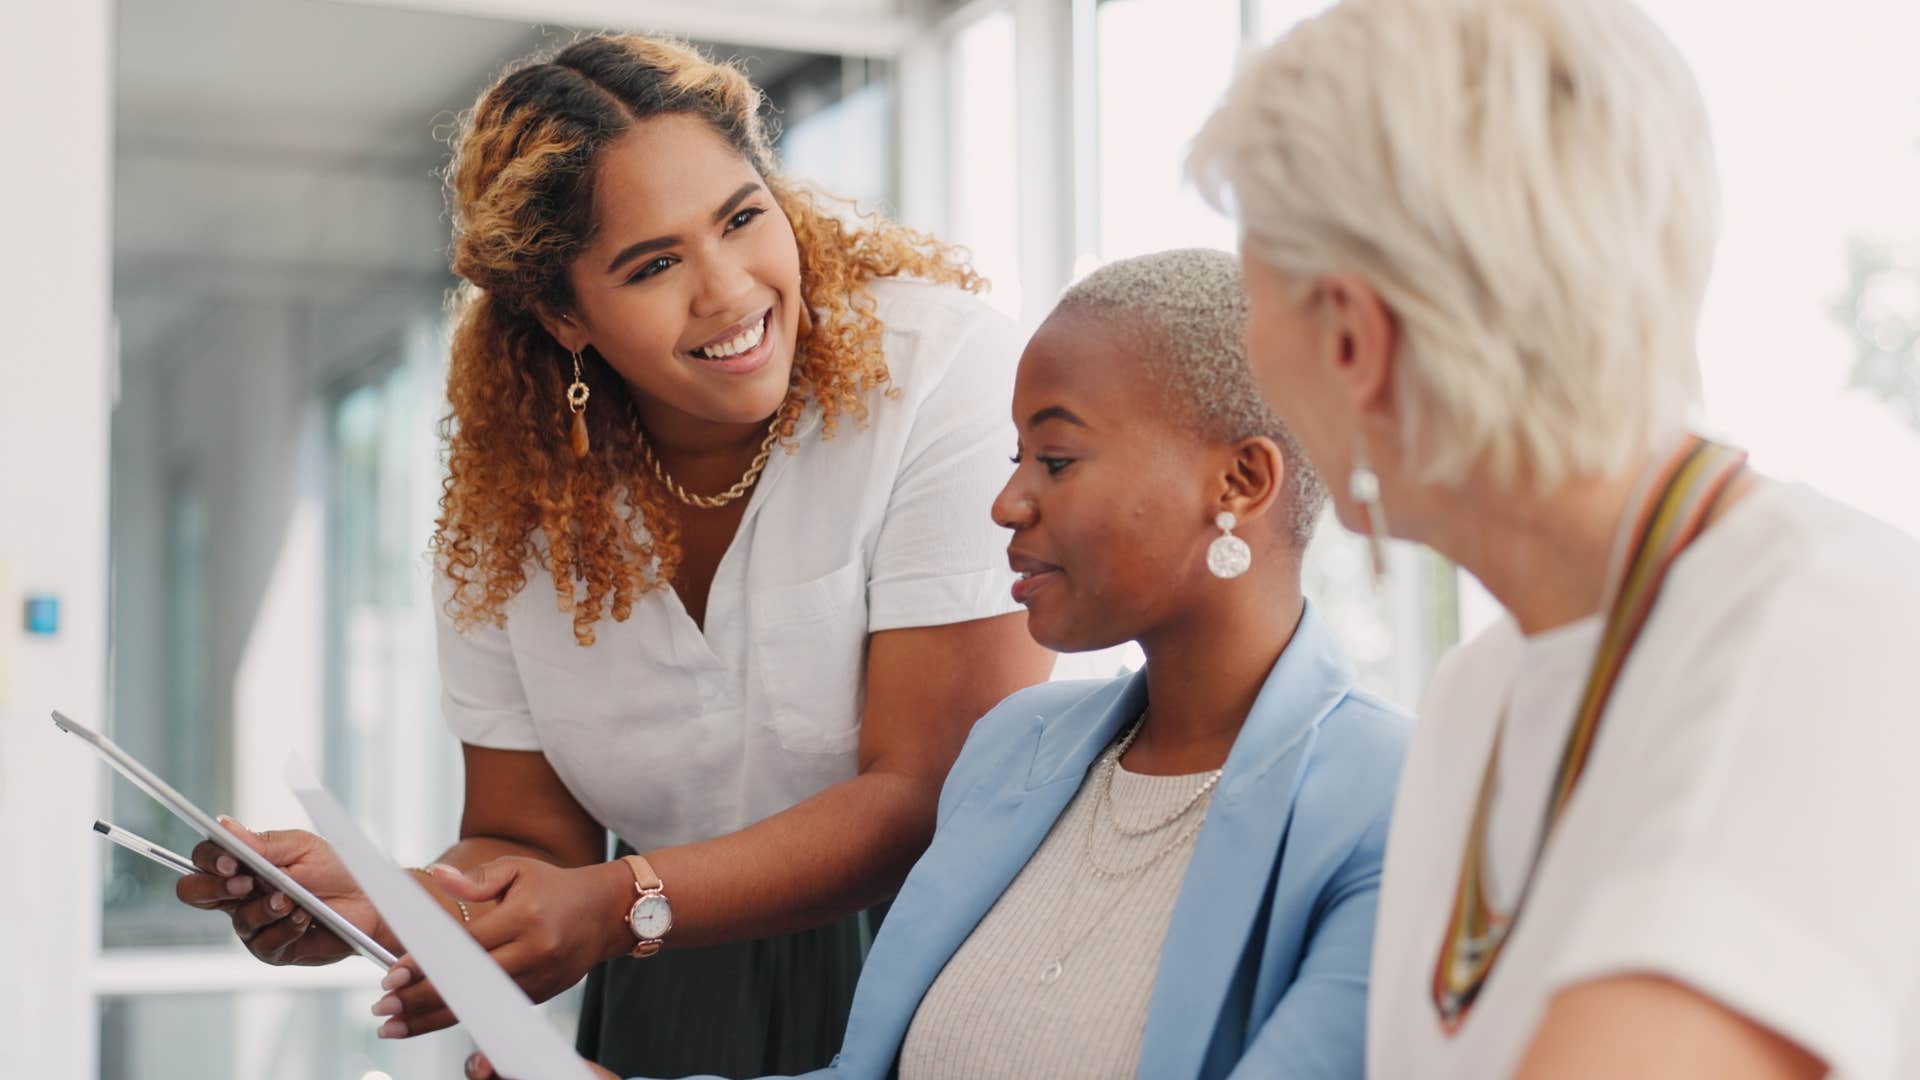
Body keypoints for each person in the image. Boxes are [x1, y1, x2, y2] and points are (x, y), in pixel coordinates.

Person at [173, 33, 1055, 1078]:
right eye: (654, 264)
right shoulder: (513, 496)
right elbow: (528, 840)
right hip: (663, 977)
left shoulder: (940, 371)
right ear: (563, 313)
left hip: (932, 961)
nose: (728, 291)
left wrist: (616, 904)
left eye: (741, 218)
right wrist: (395, 900)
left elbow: (923, 792)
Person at [1189, 1, 1920, 1077]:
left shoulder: (1832, 637)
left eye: (1255, 298)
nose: (1254, 351)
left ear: (1355, 339)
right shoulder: (1479, 692)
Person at [471, 247, 1409, 1080]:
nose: (1006, 503)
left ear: (1239, 482)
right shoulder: (1016, 752)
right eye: (1016, 457)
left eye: (1056, 457)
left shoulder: (1397, 807)